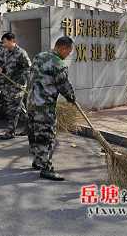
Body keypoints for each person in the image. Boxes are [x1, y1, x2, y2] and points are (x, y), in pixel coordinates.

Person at [26, 36, 76, 181]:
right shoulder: (59, 64)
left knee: (34, 133)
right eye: (69, 51)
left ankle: (37, 159)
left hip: (31, 103)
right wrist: (71, 98)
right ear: (63, 48)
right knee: (46, 136)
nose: (69, 54)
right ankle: (46, 168)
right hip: (45, 106)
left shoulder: (38, 57)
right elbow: (64, 85)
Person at [0, 33, 31, 140]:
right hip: (9, 84)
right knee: (20, 108)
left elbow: (28, 68)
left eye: (5, 42)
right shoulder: (7, 52)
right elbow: (7, 65)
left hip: (17, 86)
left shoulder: (21, 53)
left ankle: (10, 132)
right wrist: (2, 69)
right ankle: (29, 128)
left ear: (11, 41)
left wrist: (20, 81)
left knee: (13, 108)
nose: (3, 44)